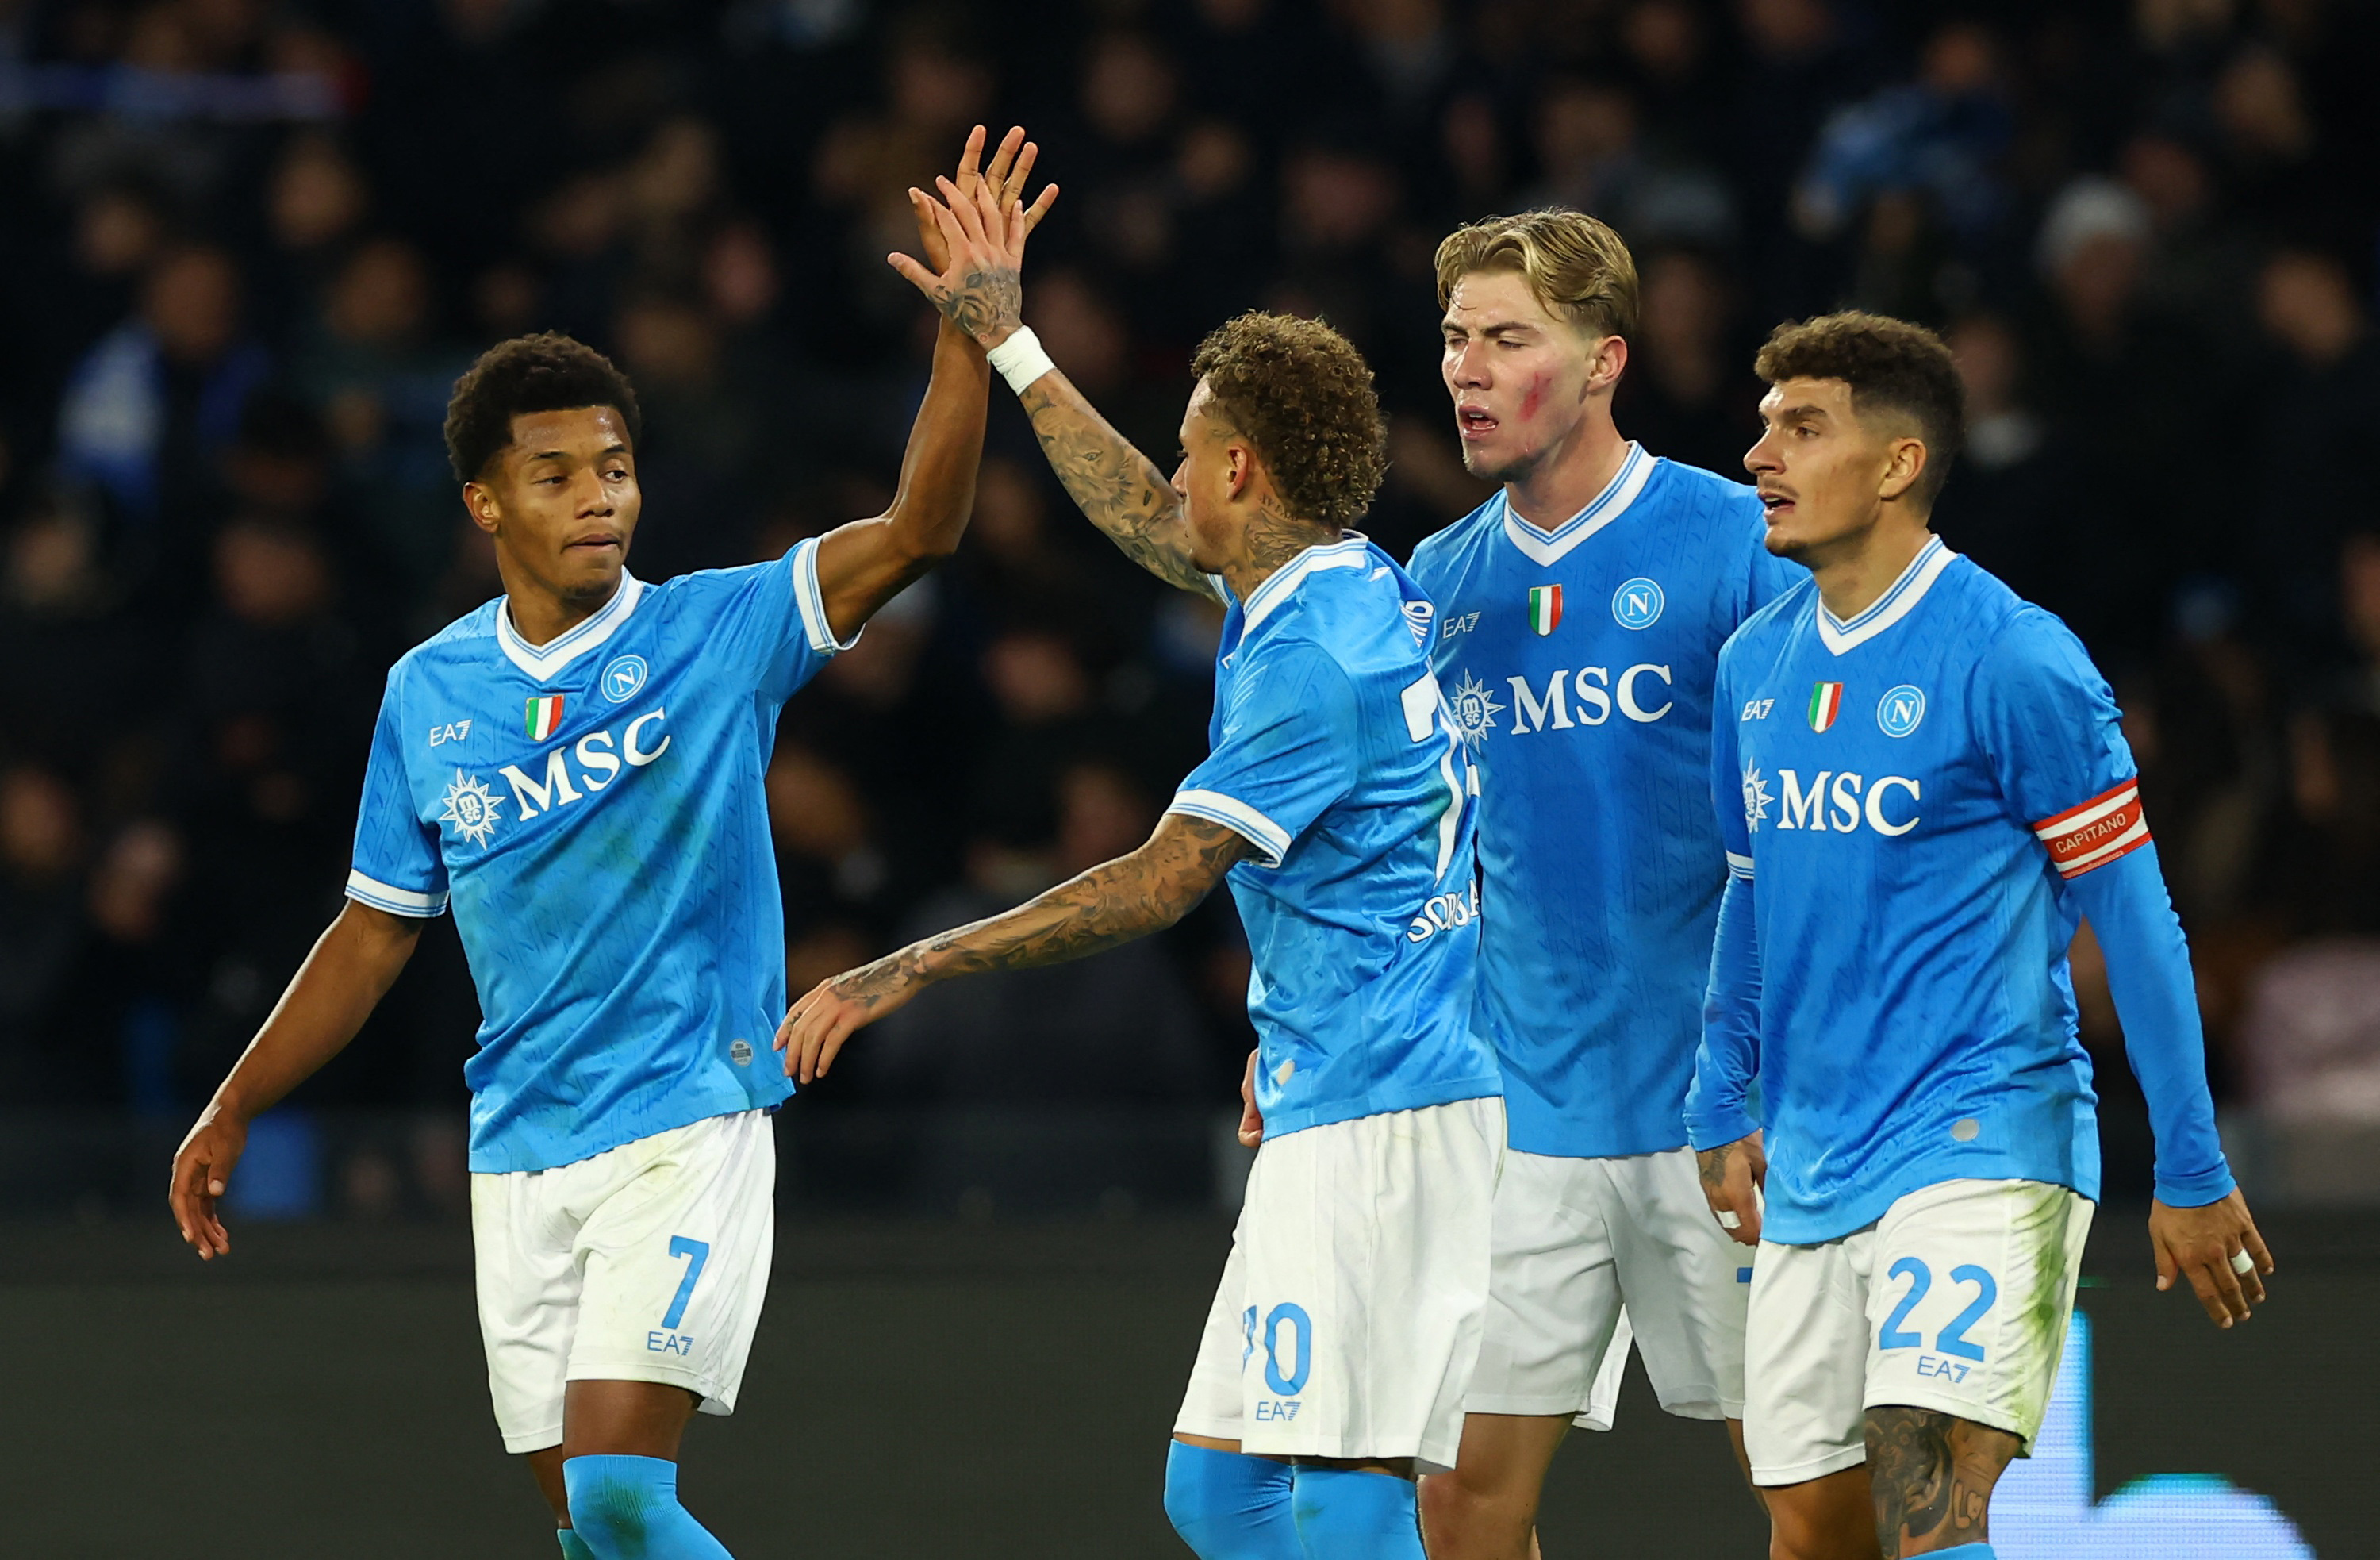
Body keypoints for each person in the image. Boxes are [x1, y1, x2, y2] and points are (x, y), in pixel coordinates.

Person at [167, 128, 1054, 1560]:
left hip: (686, 1120)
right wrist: (234, 1099)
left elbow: (919, 529)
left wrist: (969, 337)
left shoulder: (716, 631)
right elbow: (377, 930)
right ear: (485, 503)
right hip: (517, 1150)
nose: (600, 495)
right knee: (594, 1540)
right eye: (561, 473)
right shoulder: (427, 693)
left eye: (618, 467)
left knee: (619, 1498)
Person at [780, 181, 1502, 1560]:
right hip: (1344, 1086)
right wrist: (1013, 344)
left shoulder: (1309, 660)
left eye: (1190, 448)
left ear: (1243, 469)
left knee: (1346, 1497)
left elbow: (1158, 882)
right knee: (1221, 1492)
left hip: (1382, 1117)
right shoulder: (1346, 577)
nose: (1171, 475)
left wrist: (913, 959)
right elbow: (1153, 526)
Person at [1690, 311, 2275, 1560]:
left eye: (1802, 426)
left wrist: (2191, 1160)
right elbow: (1750, 886)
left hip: (1981, 1135)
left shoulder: (2015, 657)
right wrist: (1716, 1087)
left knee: (1925, 1483)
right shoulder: (1753, 663)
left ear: (1898, 463)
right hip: (1812, 1151)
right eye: (1763, 426)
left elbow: (2136, 912)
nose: (1760, 456)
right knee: (1813, 1530)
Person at [1402, 209, 1795, 1560]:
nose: (1466, 368)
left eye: (1507, 337)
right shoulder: (1435, 584)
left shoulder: (1740, 543)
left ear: (1604, 358)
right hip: (1517, 1114)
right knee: (1457, 1505)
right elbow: (1415, 850)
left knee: (1811, 1501)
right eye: (1455, 338)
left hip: (1721, 1111)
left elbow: (1810, 825)